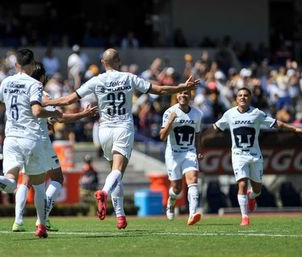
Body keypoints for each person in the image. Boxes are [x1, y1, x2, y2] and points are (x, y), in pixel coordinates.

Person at [43, 48, 199, 229]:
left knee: (114, 172)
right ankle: (103, 193)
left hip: (104, 130)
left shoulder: (96, 80)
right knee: (117, 171)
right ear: (118, 62)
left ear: (103, 62)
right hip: (123, 127)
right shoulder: (128, 77)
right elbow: (159, 89)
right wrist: (183, 87)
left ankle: (120, 216)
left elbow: (69, 100)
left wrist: (47, 103)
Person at [0, 49, 62, 238]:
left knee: (10, 180)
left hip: (11, 138)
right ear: (32, 65)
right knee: (39, 186)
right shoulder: (34, 84)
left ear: (16, 64)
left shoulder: (7, 81)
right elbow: (36, 112)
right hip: (30, 138)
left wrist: (9, 105)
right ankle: (41, 225)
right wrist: (53, 114)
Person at [12, 62, 97, 233]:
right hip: (39, 141)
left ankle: (18, 221)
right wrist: (83, 114)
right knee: (57, 178)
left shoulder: (18, 90)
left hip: (19, 138)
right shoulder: (39, 92)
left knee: (26, 180)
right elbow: (60, 117)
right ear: (42, 77)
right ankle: (42, 218)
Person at [212, 87, 302, 226]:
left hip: (255, 155)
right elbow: (215, 127)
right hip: (238, 155)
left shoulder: (257, 113)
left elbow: (276, 123)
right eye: (240, 95)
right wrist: (201, 139)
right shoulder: (229, 114)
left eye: (245, 95)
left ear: (249, 98)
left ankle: (252, 196)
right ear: (236, 99)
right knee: (242, 184)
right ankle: (245, 217)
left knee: (257, 190)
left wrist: (295, 128)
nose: (243, 97)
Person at [159, 90, 203, 225]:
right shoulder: (169, 112)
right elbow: (162, 136)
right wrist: (170, 122)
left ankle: (192, 214)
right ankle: (171, 202)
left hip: (189, 152)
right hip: (173, 154)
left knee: (193, 180)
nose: (183, 95)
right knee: (177, 189)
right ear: (176, 96)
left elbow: (198, 133)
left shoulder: (197, 113)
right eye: (180, 93)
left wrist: (198, 150)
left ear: (190, 96)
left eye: (186, 93)